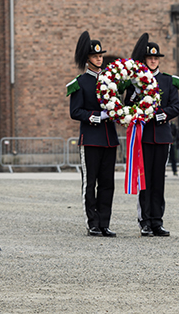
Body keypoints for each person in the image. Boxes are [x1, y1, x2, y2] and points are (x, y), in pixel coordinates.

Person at [128, 33, 179, 237]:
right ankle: (145, 220)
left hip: (162, 135)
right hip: (144, 137)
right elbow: (129, 105)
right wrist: (134, 91)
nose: (153, 60)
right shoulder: (136, 81)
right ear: (145, 60)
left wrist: (159, 115)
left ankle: (157, 220)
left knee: (159, 180)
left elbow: (175, 107)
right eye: (150, 58)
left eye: (156, 58)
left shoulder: (168, 81)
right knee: (145, 180)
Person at [67, 31, 118, 237]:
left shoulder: (111, 81)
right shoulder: (80, 82)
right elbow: (75, 111)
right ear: (87, 58)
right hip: (90, 139)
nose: (99, 58)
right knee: (90, 183)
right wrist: (98, 116)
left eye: (100, 56)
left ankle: (104, 222)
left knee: (107, 183)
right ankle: (93, 222)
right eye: (96, 56)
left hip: (109, 139)